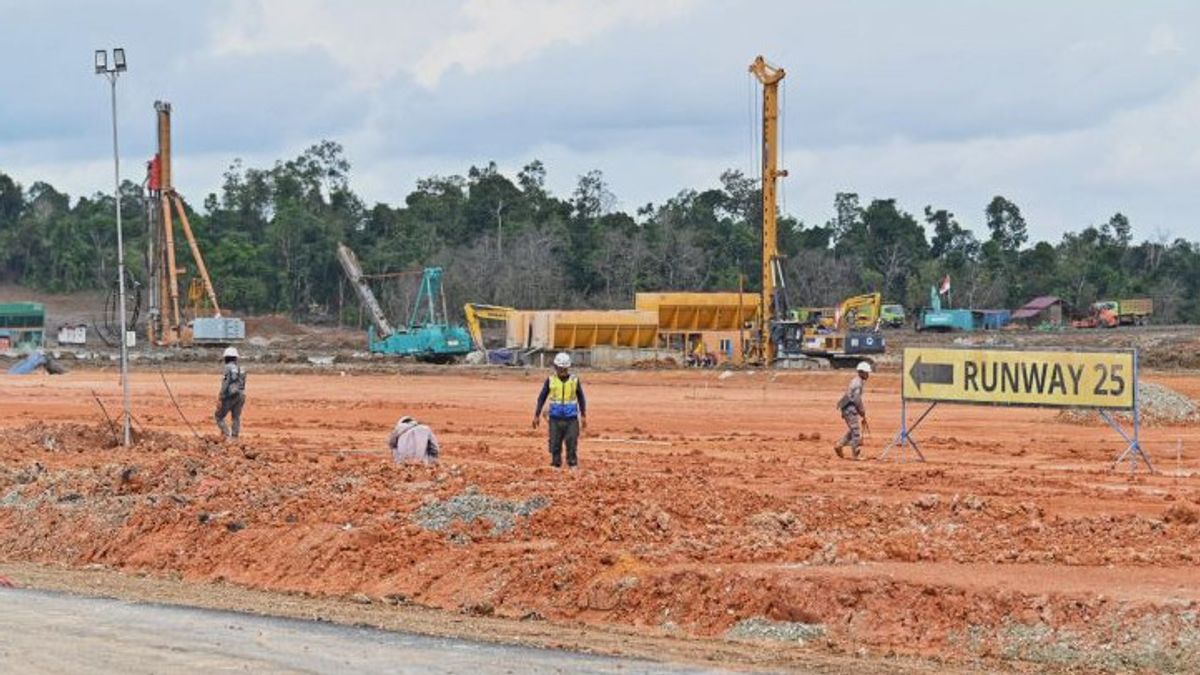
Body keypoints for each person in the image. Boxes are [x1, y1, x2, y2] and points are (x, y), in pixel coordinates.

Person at [532, 352, 587, 470]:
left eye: (563, 368)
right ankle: (556, 464)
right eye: (559, 368)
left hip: (571, 418)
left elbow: (581, 398)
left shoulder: (574, 380)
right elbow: (542, 397)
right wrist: (536, 415)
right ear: (556, 367)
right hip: (555, 418)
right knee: (555, 443)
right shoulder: (550, 380)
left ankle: (572, 464)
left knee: (572, 442)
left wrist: (583, 415)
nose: (561, 371)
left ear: (567, 368)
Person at [833, 361, 871, 459]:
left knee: (853, 430)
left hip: (846, 408)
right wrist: (862, 411)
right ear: (861, 372)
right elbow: (857, 399)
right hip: (849, 409)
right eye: (867, 373)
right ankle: (856, 455)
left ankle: (839, 444)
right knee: (856, 432)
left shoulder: (856, 380)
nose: (868, 375)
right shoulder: (857, 384)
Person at [214, 346, 246, 439]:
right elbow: (243, 383)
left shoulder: (228, 368)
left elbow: (226, 383)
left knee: (218, 416)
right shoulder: (241, 368)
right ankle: (235, 437)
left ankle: (226, 434)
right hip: (241, 395)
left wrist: (220, 397)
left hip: (230, 396)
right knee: (236, 417)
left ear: (226, 358)